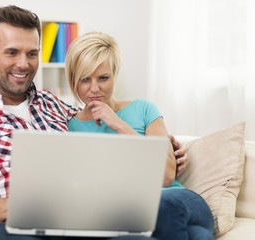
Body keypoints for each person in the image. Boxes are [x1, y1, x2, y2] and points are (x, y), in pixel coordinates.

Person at [0, 5, 186, 240]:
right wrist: (23, 207)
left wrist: (167, 147)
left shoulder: (56, 106)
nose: (23, 63)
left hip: (72, 221)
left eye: (31, 53)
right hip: (1, 226)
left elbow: (98, 125)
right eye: (11, 52)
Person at [65, 32, 214, 240]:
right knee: (198, 236)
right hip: (128, 214)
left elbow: (166, 176)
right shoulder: (70, 127)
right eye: (84, 79)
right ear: (73, 79)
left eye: (103, 78)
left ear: (115, 74)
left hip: (174, 199)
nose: (94, 89)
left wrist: (118, 124)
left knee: (165, 207)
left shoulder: (144, 109)